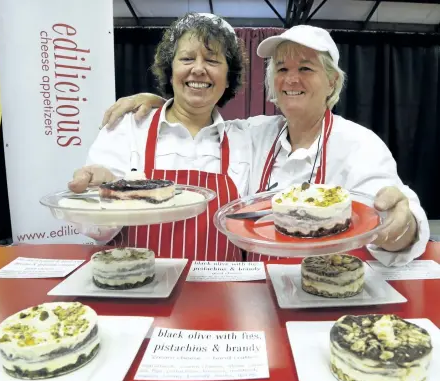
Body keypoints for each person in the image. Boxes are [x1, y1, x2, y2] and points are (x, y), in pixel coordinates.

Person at [99, 24, 430, 266]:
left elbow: (389, 199)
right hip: (254, 292)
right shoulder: (254, 134)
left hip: (325, 293)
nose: (291, 79)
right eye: (282, 69)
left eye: (305, 68)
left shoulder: (358, 143)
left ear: (332, 80)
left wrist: (401, 226)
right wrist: (162, 103)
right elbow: (192, 112)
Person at [68, 13, 250, 261]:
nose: (198, 69)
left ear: (229, 77)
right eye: (186, 58)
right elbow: (94, 231)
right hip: (137, 288)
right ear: (170, 69)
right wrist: (110, 196)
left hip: (221, 292)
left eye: (212, 60)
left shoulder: (247, 139)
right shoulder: (127, 128)